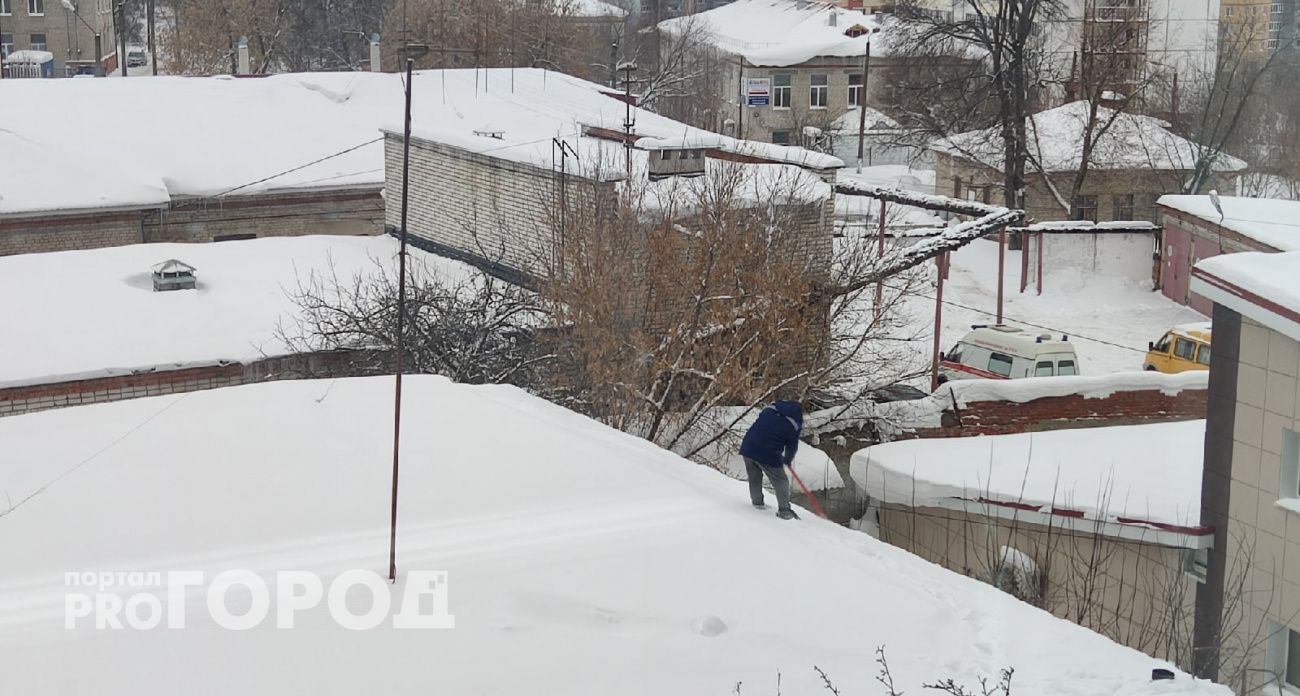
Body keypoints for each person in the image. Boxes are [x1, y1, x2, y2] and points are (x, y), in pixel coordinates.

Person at [738, 400, 803, 520]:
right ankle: (785, 511)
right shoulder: (795, 423)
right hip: (768, 452)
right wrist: (788, 460)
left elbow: (765, 427)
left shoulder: (770, 409)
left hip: (748, 446)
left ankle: (757, 504)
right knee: (781, 481)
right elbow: (792, 446)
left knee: (755, 477)